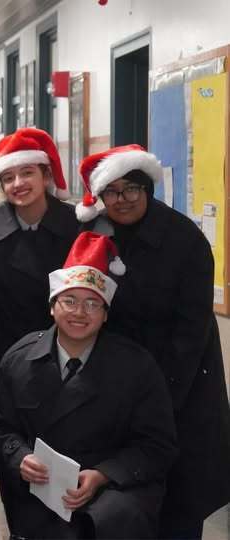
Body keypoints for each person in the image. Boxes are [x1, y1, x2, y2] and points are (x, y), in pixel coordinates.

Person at [76, 145, 230, 539]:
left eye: (131, 189)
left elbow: (190, 333)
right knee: (118, 509)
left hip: (180, 390)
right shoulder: (93, 236)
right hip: (113, 392)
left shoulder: (186, 240)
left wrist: (155, 399)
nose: (121, 199)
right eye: (111, 191)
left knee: (178, 507)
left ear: (148, 189)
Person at [0, 231, 178, 539]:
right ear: (52, 307)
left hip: (114, 497)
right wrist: (20, 457)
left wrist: (104, 475)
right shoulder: (19, 359)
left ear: (106, 314)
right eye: (69, 301)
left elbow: (158, 446)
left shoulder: (136, 366)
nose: (80, 313)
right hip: (40, 492)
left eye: (92, 304)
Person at [0, 127, 78, 385]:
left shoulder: (76, 226)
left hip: (70, 357)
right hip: (8, 362)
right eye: (8, 177)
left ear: (46, 175)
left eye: (27, 173)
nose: (18, 184)